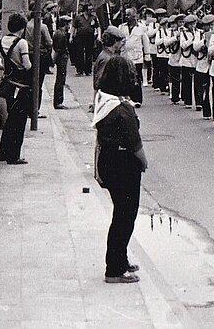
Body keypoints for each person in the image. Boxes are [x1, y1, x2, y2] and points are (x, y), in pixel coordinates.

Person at [93, 56, 148, 284]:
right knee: (125, 217)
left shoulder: (105, 100)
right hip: (124, 164)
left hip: (109, 161)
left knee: (120, 214)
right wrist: (144, 162)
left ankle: (120, 260)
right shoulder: (122, 109)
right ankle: (114, 269)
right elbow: (135, 143)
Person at [0, 14, 33, 165]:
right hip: (21, 86)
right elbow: (27, 65)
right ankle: (13, 156)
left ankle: (2, 153)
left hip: (8, 85)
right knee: (19, 121)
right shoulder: (22, 43)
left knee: (11, 118)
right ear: (22, 28)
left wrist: (7, 68)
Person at [52, 15, 71, 109]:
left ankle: (58, 101)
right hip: (61, 58)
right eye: (68, 24)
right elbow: (59, 49)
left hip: (61, 57)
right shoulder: (61, 34)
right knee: (60, 79)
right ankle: (58, 101)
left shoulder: (58, 33)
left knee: (60, 79)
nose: (69, 26)